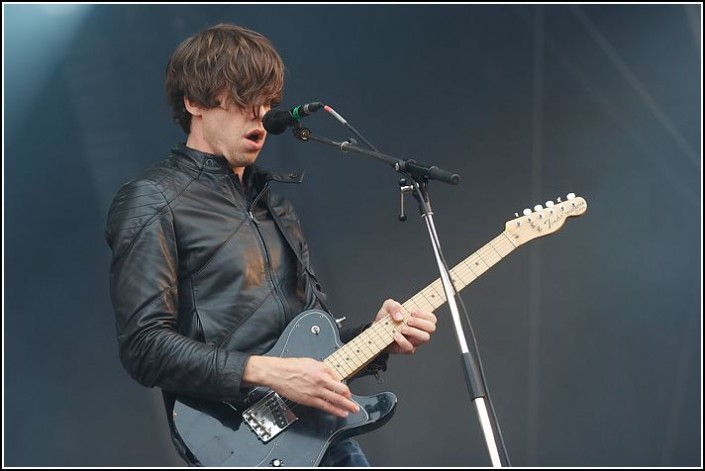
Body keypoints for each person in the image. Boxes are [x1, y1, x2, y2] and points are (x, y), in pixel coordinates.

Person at [105, 23, 437, 467]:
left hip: (321, 436)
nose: (260, 114)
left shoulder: (274, 207)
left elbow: (311, 348)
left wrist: (377, 338)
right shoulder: (152, 199)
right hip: (239, 441)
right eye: (243, 99)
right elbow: (144, 346)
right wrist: (270, 373)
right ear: (194, 102)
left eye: (267, 101)